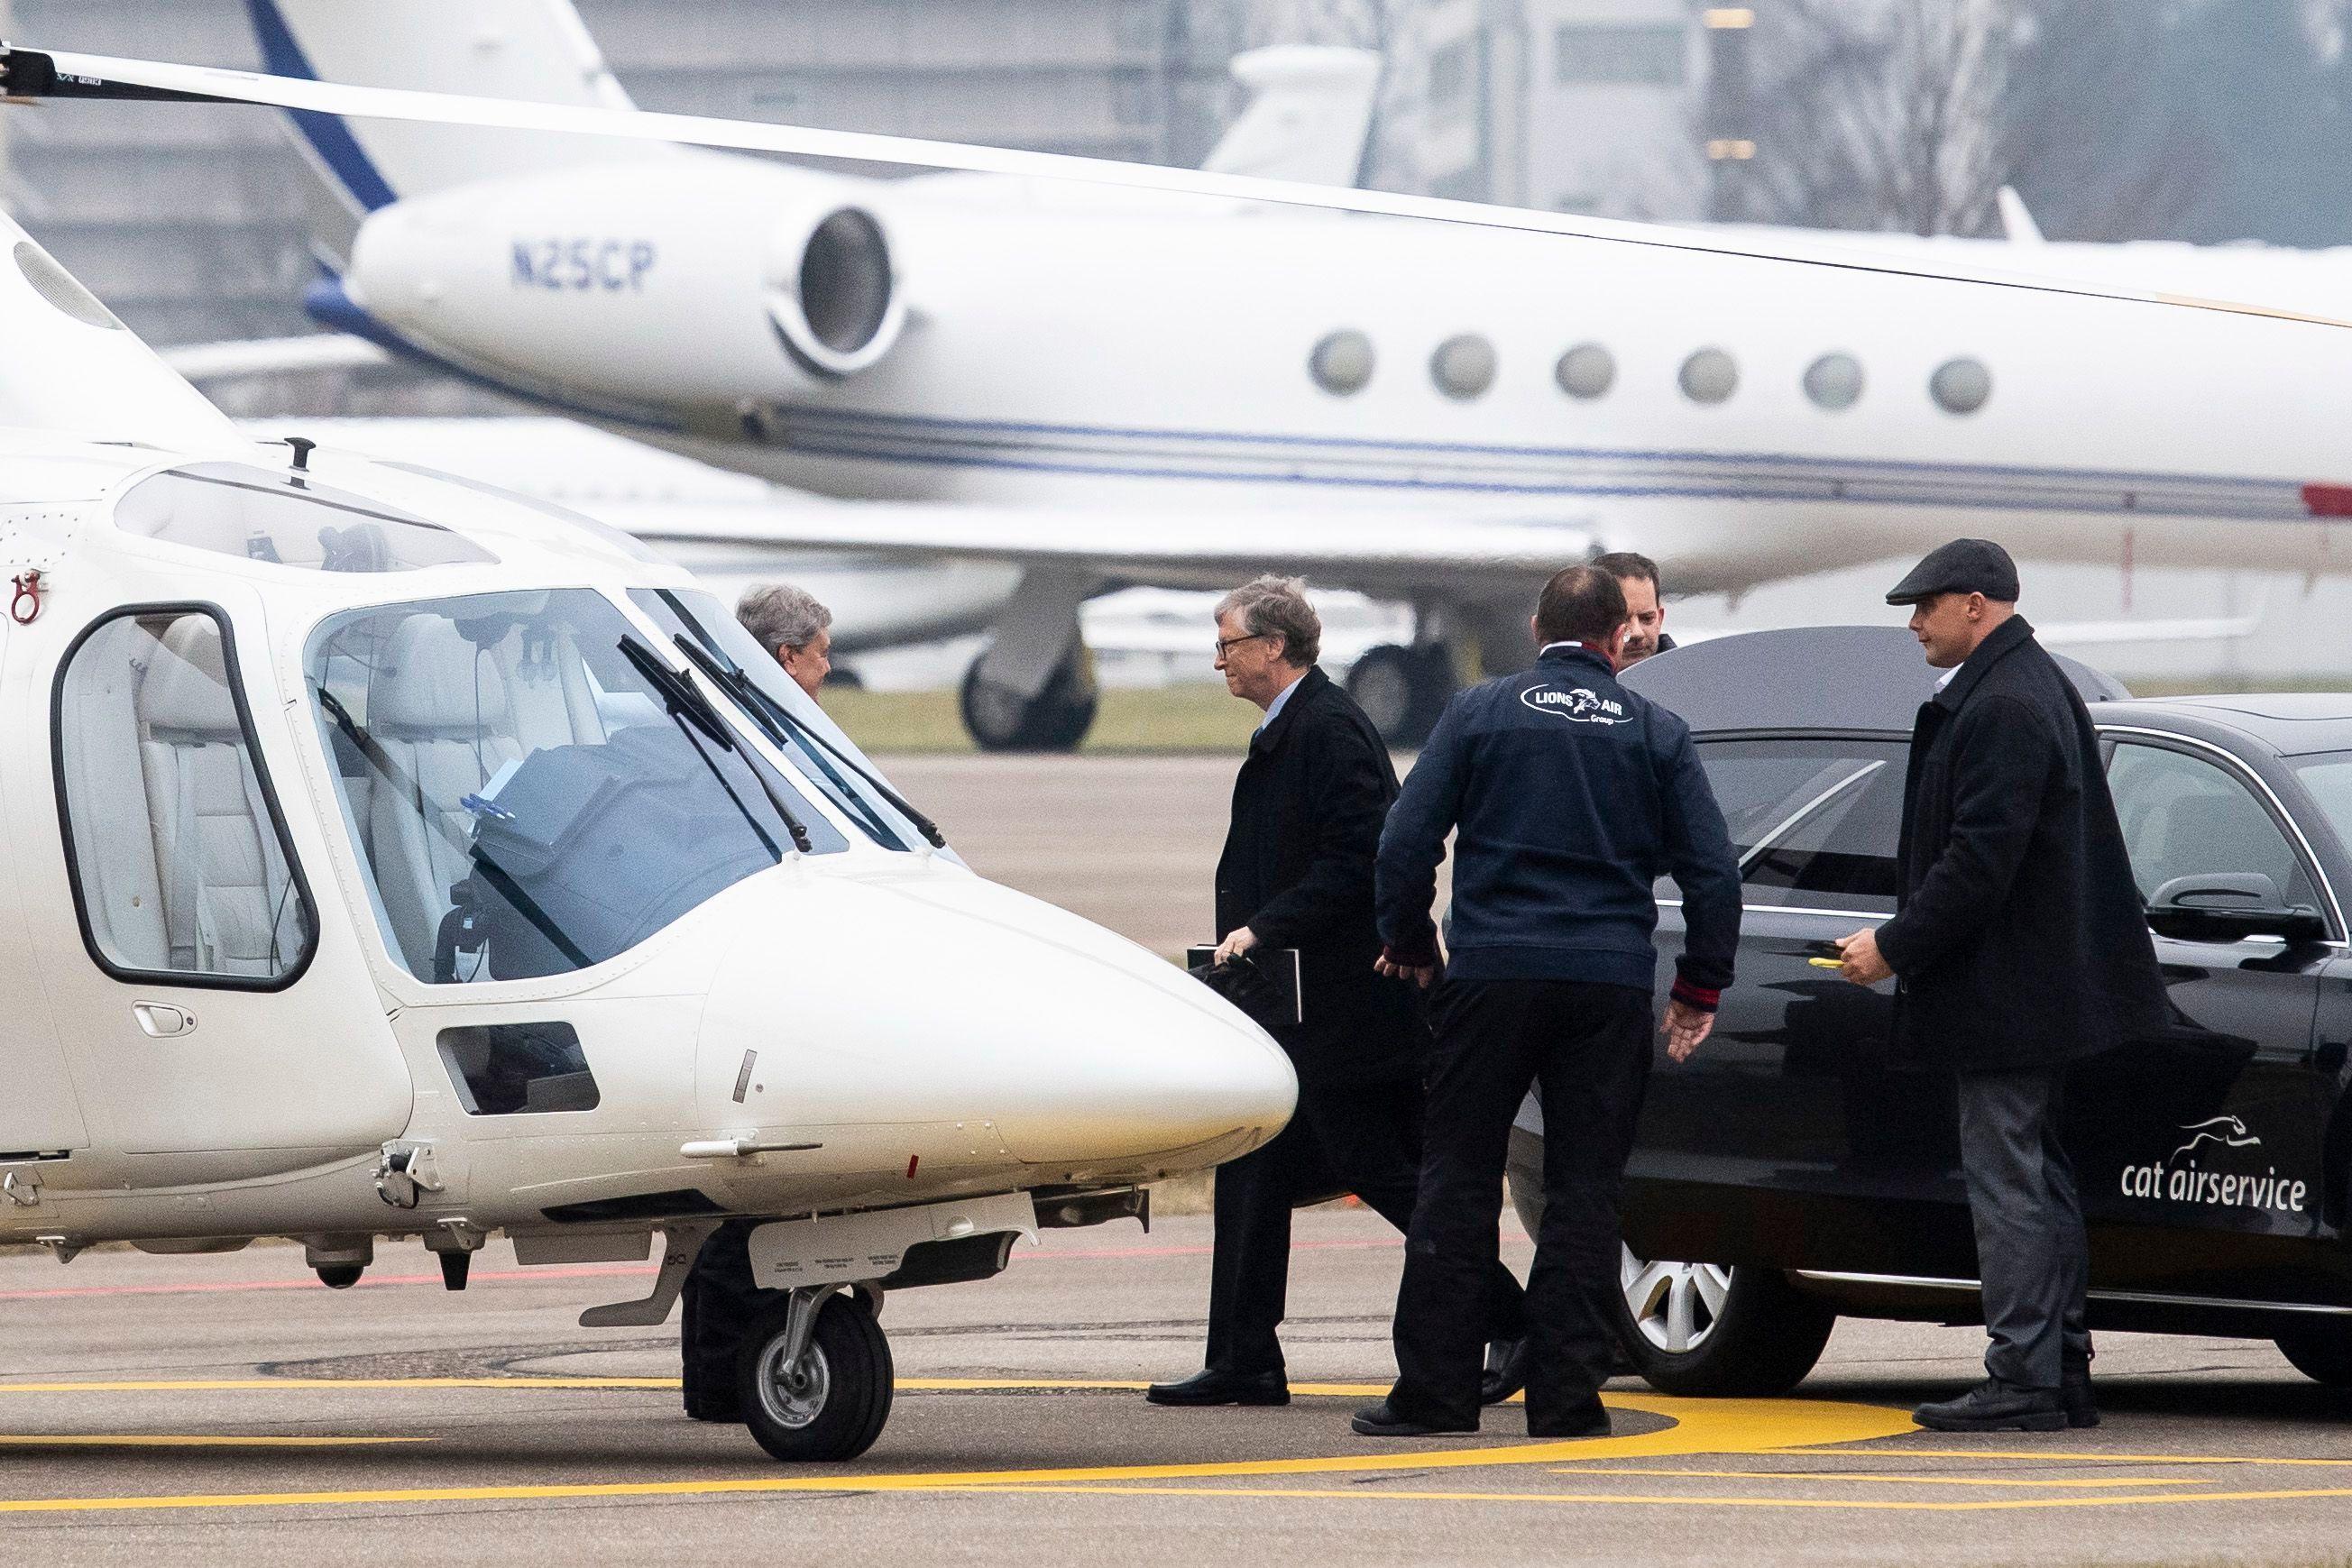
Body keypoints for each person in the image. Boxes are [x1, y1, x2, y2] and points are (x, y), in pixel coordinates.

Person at [1355, 564, 1740, 1439]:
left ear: (1537, 629)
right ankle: (1567, 1397)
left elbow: (1405, 841)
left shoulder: (1480, 711)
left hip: (1492, 973)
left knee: (1455, 1180)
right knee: (1584, 1192)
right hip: (1604, 982)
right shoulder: (1655, 729)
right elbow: (1713, 875)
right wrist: (1697, 986)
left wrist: (1411, 940)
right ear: (1616, 638)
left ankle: (1436, 1393)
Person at [1148, 574, 1530, 1410]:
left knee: (1380, 1168)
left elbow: (1362, 861)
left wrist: (1265, 926)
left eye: (1228, 644)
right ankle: (1243, 1355)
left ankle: (1517, 1315)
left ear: (1273, 647)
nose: (1220, 661)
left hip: (1346, 1013)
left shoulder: (1328, 729)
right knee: (1251, 1166)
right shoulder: (1295, 727)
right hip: (1289, 1006)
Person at [1833, 539, 2165, 1434]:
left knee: (2009, 1178)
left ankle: (2022, 1371)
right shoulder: (2035, 684)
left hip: (2006, 995)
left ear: (1974, 605)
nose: (1913, 625)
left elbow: (1980, 860)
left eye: (1924, 607)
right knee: (2040, 1174)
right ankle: (2057, 1365)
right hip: (2040, 988)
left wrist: (1893, 946)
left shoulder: (2006, 704)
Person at [680, 584, 834, 1421]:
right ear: (784, 658)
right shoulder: (742, 738)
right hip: (745, 990)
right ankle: (717, 1379)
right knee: (742, 1204)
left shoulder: (757, 730)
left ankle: (723, 1377)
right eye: (820, 654)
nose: (828, 669)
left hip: (771, 982)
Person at [737, 582, 834, 700]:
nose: (828, 668)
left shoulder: (736, 703)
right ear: (788, 656)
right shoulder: (772, 716)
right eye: (823, 654)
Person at [1594, 550, 1675, 664]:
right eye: (1622, 620)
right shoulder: (1565, 679)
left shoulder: (1694, 678)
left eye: (1647, 619)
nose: (1637, 633)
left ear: (1660, 618)